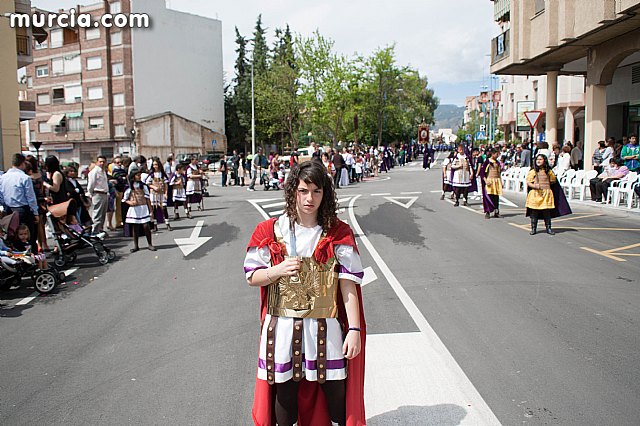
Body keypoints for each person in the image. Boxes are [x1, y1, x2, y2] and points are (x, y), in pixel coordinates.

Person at [244, 160, 366, 426]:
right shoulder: (270, 231)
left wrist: (354, 330)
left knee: (337, 401)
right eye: (303, 191)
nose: (310, 198)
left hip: (326, 327)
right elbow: (252, 276)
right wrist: (276, 271)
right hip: (282, 328)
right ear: (292, 192)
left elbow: (348, 285)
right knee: (285, 398)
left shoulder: (338, 232)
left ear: (325, 194)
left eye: (316, 191)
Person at [0, 154, 40, 249]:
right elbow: (30, 197)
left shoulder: (3, 177)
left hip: (9, 209)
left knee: (13, 236)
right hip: (23, 210)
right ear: (23, 164)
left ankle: (17, 257)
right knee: (28, 235)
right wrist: (35, 212)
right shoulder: (25, 177)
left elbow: (1, 195)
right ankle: (32, 258)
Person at [525, 154, 572, 235]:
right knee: (534, 213)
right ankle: (533, 229)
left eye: (540, 159)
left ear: (544, 161)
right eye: (537, 159)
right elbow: (528, 182)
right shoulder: (533, 171)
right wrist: (535, 186)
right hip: (535, 194)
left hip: (546, 194)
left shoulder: (549, 171)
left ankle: (548, 228)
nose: (538, 161)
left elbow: (553, 180)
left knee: (546, 212)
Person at [123, 169, 156, 252]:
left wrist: (150, 210)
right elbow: (124, 199)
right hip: (134, 209)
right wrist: (130, 202)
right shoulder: (129, 187)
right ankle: (136, 245)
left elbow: (148, 198)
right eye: (138, 175)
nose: (139, 177)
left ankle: (150, 244)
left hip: (143, 207)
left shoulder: (143, 186)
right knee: (135, 227)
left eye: (140, 175)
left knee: (146, 226)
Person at [145, 158, 172, 231]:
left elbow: (166, 184)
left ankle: (167, 223)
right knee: (154, 209)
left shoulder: (163, 174)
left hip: (162, 193)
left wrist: (166, 193)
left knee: (164, 208)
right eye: (153, 165)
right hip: (154, 194)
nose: (155, 166)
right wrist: (153, 187)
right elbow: (147, 183)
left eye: (156, 164)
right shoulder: (151, 174)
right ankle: (155, 225)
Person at [87, 155, 110, 235]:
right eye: (100, 162)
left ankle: (100, 229)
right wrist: (90, 193)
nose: (102, 163)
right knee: (97, 213)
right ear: (97, 162)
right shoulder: (94, 172)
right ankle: (95, 231)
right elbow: (91, 184)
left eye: (103, 162)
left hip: (104, 194)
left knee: (103, 214)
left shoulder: (103, 171)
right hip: (98, 193)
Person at [479, 148, 503, 219]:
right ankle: (488, 212)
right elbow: (482, 173)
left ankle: (496, 211)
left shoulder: (497, 163)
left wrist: (501, 182)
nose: (497, 155)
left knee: (496, 197)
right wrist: (486, 181)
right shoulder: (487, 162)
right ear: (492, 154)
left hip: (496, 181)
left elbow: (499, 173)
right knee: (489, 197)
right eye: (496, 154)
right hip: (489, 180)